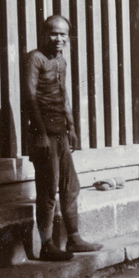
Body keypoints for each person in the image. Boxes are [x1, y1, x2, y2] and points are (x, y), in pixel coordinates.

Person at [24, 15, 103, 261]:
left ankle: (74, 239)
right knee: (48, 190)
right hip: (43, 136)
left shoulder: (61, 61)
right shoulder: (35, 58)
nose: (59, 39)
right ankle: (46, 245)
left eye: (63, 35)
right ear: (43, 34)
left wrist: (72, 127)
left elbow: (63, 95)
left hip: (61, 135)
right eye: (54, 34)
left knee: (70, 186)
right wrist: (41, 134)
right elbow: (30, 97)